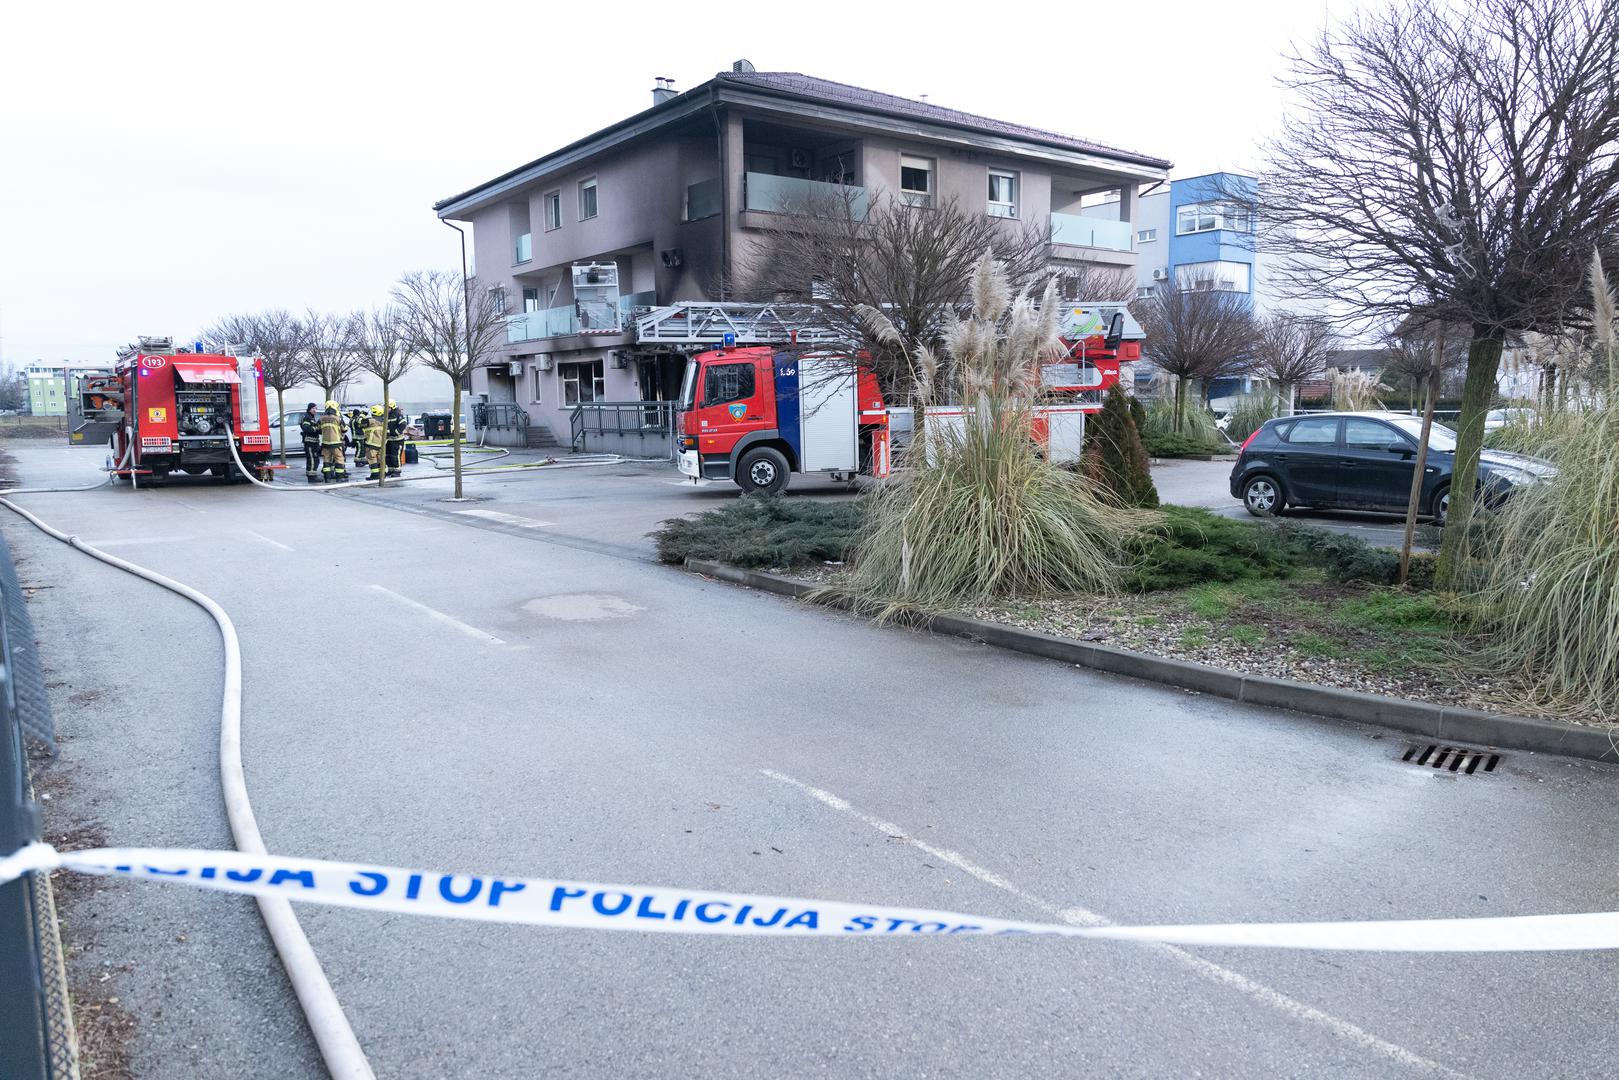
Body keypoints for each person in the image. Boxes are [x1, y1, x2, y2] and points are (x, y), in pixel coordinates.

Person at [318, 401, 348, 483]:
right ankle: (340, 478)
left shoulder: (321, 418)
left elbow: (318, 429)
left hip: (325, 443)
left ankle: (327, 478)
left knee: (326, 460)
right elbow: (345, 429)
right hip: (336, 443)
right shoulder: (338, 419)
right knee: (339, 460)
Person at [298, 402, 322, 483]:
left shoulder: (311, 417)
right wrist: (316, 429)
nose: (315, 410)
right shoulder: (307, 417)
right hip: (309, 443)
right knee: (312, 460)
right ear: (309, 409)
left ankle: (313, 475)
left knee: (315, 459)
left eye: (316, 408)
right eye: (313, 408)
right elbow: (306, 428)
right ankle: (311, 477)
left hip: (314, 442)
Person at [385, 398, 407, 479]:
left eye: (388, 407)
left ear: (392, 407)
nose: (386, 409)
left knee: (395, 456)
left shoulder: (398, 415)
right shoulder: (386, 415)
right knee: (388, 456)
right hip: (389, 440)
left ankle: (397, 471)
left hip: (397, 440)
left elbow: (403, 424)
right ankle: (391, 470)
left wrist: (395, 432)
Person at [364, 404, 386, 480]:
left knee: (372, 459)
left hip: (371, 444)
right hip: (381, 444)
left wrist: (362, 415)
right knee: (380, 460)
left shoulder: (370, 421)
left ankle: (375, 475)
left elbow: (360, 423)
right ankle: (382, 474)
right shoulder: (384, 422)